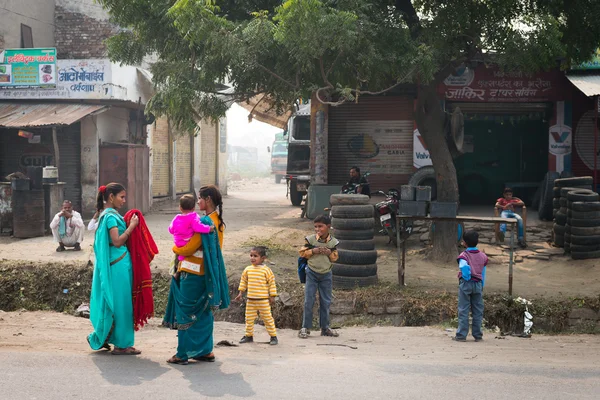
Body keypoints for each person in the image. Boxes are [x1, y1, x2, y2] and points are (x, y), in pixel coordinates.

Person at [163, 185, 230, 365]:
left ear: (207, 200)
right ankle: (205, 350)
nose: (198, 202)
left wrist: (175, 248)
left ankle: (182, 354)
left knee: (185, 312)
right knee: (204, 312)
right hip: (207, 273)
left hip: (193, 272)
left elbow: (190, 247)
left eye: (200, 198)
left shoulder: (206, 222)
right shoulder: (217, 220)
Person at [87, 183, 141, 355]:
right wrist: (132, 226)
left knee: (119, 304)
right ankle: (122, 345)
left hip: (118, 265)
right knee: (122, 305)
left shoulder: (108, 215)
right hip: (117, 267)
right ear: (111, 197)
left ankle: (117, 340)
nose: (124, 201)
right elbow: (117, 241)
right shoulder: (110, 217)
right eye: (121, 197)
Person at [298, 214, 340, 339]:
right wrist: (313, 251)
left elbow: (335, 257)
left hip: (326, 273)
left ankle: (325, 328)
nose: (317, 229)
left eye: (320, 227)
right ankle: (305, 327)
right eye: (315, 227)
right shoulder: (310, 240)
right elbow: (302, 253)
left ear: (328, 227)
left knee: (326, 301)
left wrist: (329, 253)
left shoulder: (333, 242)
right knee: (308, 300)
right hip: (311, 272)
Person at [235, 246, 278, 345]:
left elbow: (271, 283)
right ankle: (248, 336)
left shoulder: (266, 270)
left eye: (255, 256)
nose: (252, 258)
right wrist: (240, 292)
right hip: (250, 300)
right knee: (249, 319)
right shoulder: (248, 269)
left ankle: (273, 336)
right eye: (251, 255)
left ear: (263, 258)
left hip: (263, 300)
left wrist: (272, 296)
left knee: (267, 318)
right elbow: (243, 281)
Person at [453, 230, 488, 342]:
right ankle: (478, 335)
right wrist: (482, 283)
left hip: (466, 284)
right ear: (477, 241)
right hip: (478, 284)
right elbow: (483, 271)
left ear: (464, 243)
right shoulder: (483, 256)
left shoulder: (464, 255)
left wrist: (467, 277)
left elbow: (463, 267)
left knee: (463, 309)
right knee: (478, 310)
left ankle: (461, 335)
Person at [169, 194, 214, 261]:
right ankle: (184, 257)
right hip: (187, 242)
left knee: (181, 255)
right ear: (193, 208)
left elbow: (171, 229)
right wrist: (208, 228)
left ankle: (181, 257)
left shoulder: (176, 217)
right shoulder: (193, 217)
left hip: (177, 242)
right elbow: (198, 227)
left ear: (180, 208)